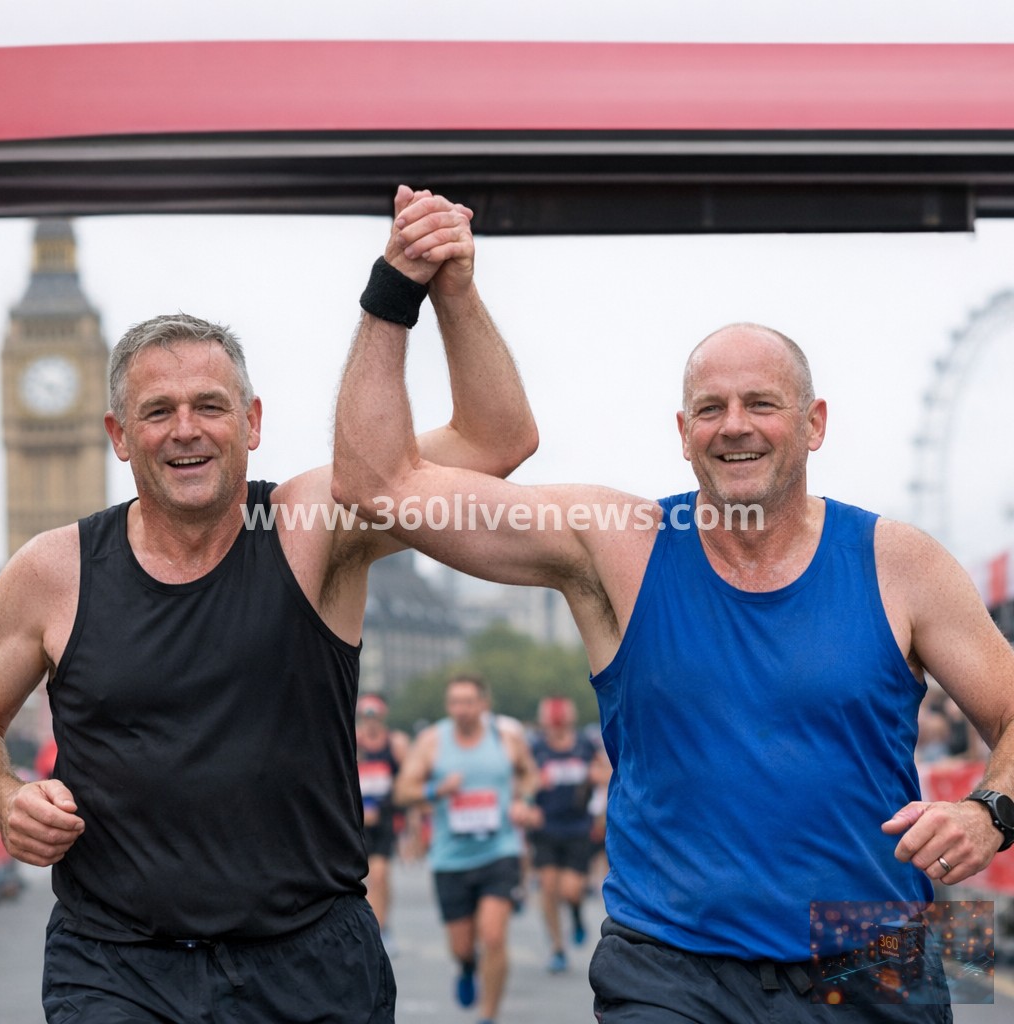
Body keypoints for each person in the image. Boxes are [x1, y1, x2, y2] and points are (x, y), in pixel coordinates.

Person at [333, 316, 1014, 1022]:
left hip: (871, 949)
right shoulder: (623, 546)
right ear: (683, 432)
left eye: (762, 403)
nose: (735, 426)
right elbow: (375, 484)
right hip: (674, 961)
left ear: (814, 423)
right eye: (711, 409)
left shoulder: (900, 562)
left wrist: (991, 811)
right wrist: (411, 288)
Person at [0, 185, 538, 1024]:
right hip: (115, 969)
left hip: (307, 965)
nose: (186, 430)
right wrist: (5, 799)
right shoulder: (52, 570)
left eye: (210, 406)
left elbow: (497, 443)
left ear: (251, 421)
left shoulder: (314, 525)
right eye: (158, 411)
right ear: (116, 435)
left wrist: (448, 290)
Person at [393, 674, 540, 1024]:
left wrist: (525, 801)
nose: (461, 709)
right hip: (450, 858)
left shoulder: (505, 738)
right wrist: (435, 791)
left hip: (499, 850)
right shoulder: (432, 742)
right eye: (455, 702)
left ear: (484, 704)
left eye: (468, 702)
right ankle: (466, 966)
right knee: (461, 946)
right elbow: (402, 792)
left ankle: (488, 1015)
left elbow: (529, 773)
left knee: (493, 936)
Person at [528, 695, 608, 974]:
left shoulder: (585, 746)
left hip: (577, 828)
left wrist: (598, 775)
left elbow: (607, 771)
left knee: (571, 890)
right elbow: (519, 781)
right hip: (546, 828)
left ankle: (574, 914)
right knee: (548, 888)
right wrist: (529, 793)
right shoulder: (535, 749)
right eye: (552, 723)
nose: (556, 728)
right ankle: (557, 946)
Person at [355, 692, 409, 949]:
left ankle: (381, 928)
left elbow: (406, 783)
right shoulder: (352, 741)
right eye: (366, 716)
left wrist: (412, 825)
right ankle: (369, 924)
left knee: (380, 875)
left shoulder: (395, 744)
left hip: (385, 819)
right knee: (360, 879)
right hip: (357, 821)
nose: (370, 722)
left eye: (374, 716)